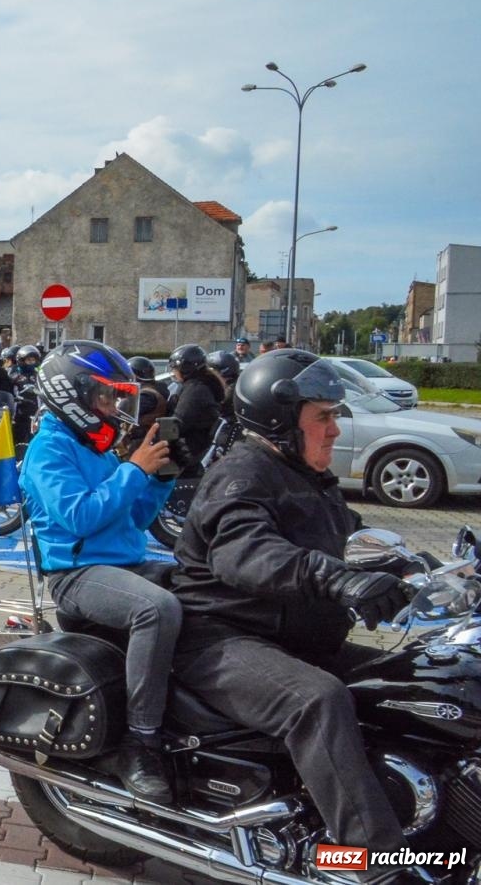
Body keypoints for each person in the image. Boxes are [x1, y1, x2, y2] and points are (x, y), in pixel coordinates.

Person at [170, 349, 414, 857]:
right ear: (281, 420)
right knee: (317, 701)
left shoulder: (309, 478)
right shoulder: (241, 476)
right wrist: (337, 581)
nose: (334, 430)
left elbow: (354, 541)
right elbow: (246, 553)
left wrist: (416, 569)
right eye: (322, 417)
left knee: (416, 677)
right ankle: (369, 859)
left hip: (291, 636)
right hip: (221, 639)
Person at [21, 341, 179, 804]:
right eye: (106, 398)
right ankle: (140, 741)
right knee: (156, 608)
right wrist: (133, 469)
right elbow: (80, 518)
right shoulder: (49, 450)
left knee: (204, 586)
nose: (114, 408)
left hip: (124, 563)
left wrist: (162, 477)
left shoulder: (97, 447)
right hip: (78, 574)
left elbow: (134, 519)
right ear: (74, 396)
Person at [166, 343, 224, 464]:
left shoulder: (195, 390)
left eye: (175, 368)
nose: (174, 371)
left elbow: (178, 422)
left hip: (190, 454)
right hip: (196, 448)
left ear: (185, 368)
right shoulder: (203, 384)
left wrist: (152, 439)